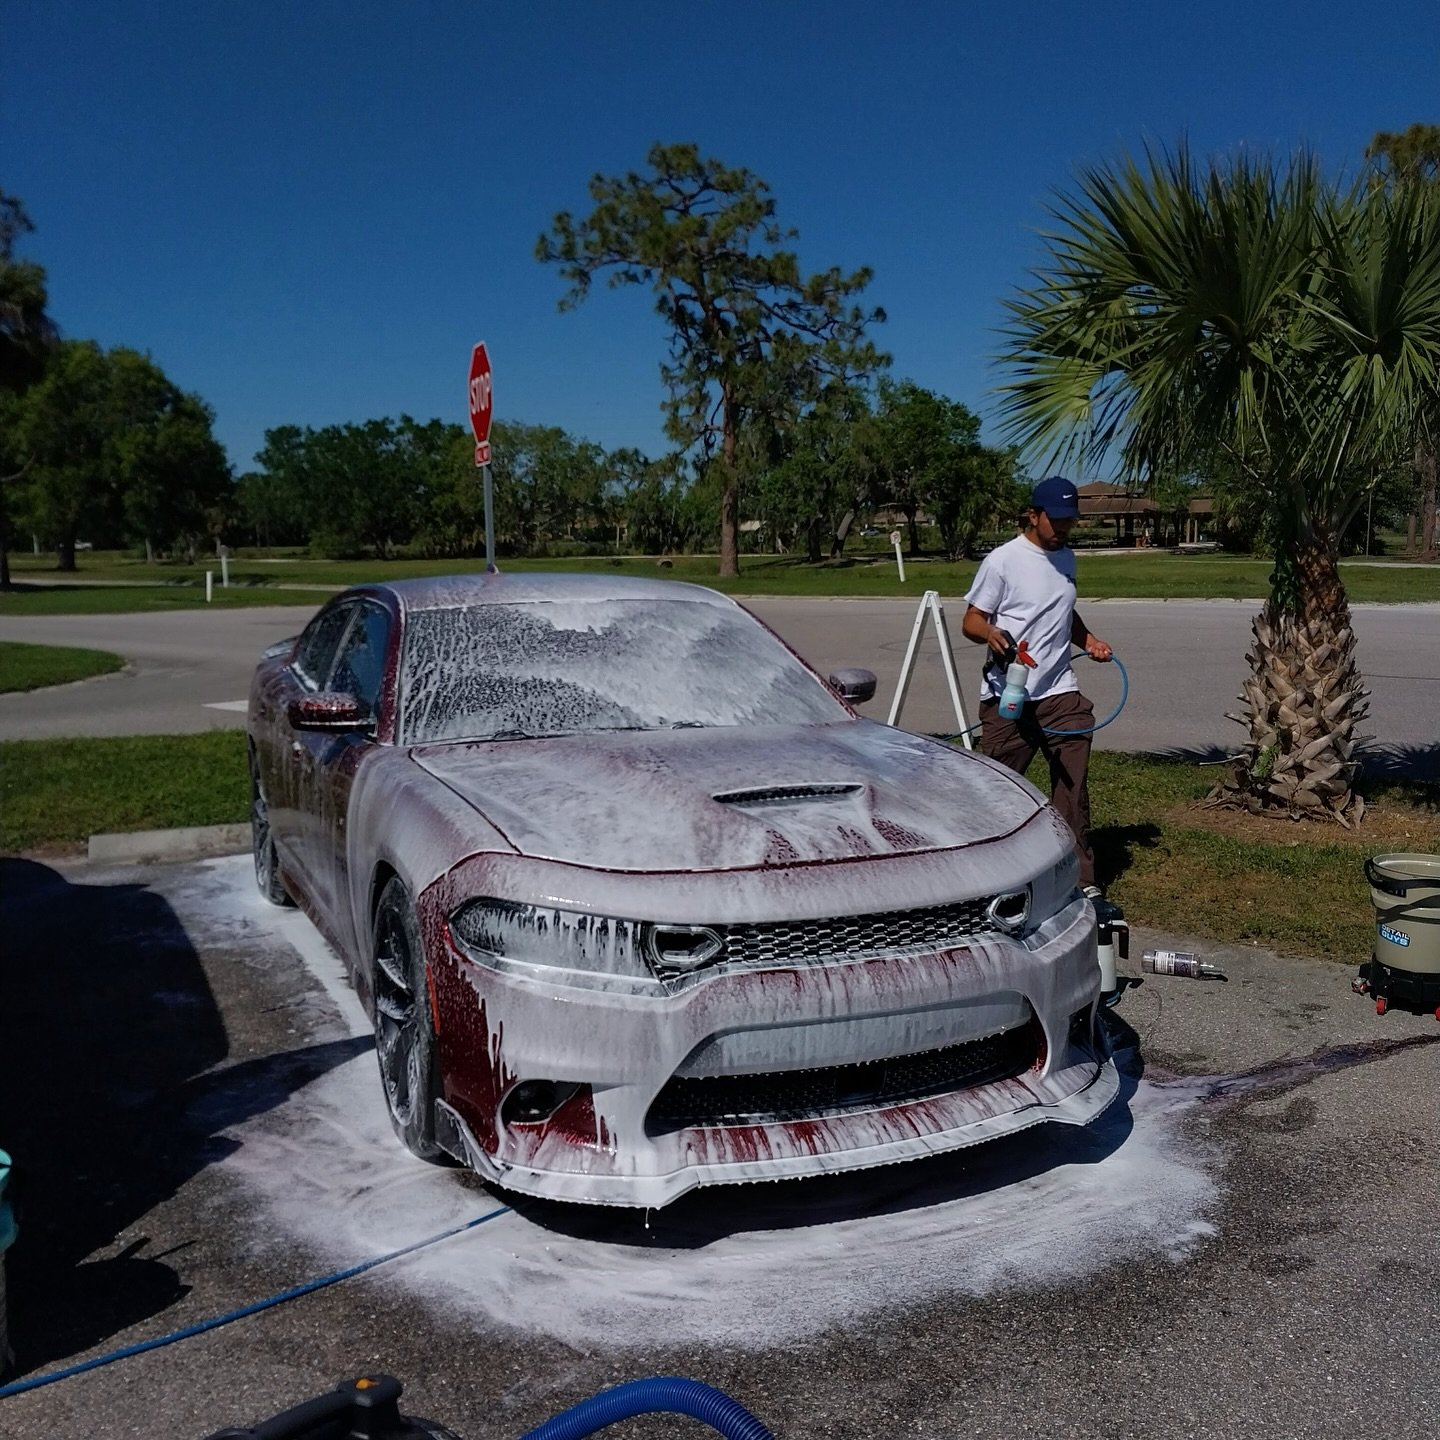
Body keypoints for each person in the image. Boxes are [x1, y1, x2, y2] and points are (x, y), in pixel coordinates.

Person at [961, 476, 1112, 896]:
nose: (1063, 527)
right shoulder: (1003, 560)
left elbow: (1063, 612)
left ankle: (1079, 882)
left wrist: (1089, 641)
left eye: (1069, 520)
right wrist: (990, 633)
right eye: (1056, 519)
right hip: (1010, 694)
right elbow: (971, 620)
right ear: (1033, 515)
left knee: (1072, 788)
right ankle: (990, 878)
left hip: (1060, 691)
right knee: (1001, 791)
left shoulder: (1067, 559)